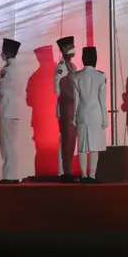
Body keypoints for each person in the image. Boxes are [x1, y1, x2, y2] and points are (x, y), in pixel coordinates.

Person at [72, 46, 108, 183]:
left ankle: (83, 175)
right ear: (95, 59)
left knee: (82, 146)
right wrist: (105, 118)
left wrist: (74, 117)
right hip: (96, 114)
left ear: (83, 59)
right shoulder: (100, 76)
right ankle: (92, 175)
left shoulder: (76, 76)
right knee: (94, 146)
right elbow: (102, 100)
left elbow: (76, 100)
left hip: (82, 113)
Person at [0, 37, 22, 183]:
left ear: (8, 52)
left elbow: (3, 89)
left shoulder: (6, 69)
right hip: (15, 110)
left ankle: (8, 176)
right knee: (11, 143)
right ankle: (12, 174)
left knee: (6, 144)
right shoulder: (18, 67)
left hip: (6, 109)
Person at [54, 36, 78, 182]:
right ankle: (64, 171)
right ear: (63, 49)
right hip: (65, 106)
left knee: (71, 139)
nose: (72, 49)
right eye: (70, 47)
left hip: (73, 106)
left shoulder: (73, 66)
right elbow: (58, 89)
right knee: (66, 138)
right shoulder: (61, 67)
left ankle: (68, 169)